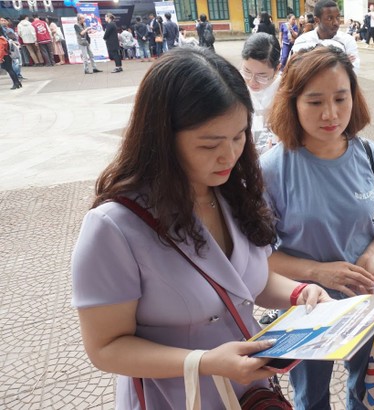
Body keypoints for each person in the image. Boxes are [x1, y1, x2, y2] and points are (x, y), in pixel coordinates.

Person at [71, 46, 331, 410]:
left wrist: (299, 293)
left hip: (247, 394)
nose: (229, 156)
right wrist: (203, 362)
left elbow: (243, 282)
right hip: (175, 397)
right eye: (210, 144)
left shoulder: (231, 194)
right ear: (161, 139)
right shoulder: (114, 227)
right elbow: (105, 347)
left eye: (239, 136)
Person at [261, 45, 374, 410]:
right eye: (314, 102)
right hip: (304, 308)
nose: (331, 114)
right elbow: (258, 255)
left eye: (341, 98)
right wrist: (318, 273)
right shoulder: (272, 170)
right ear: (292, 103)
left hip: (365, 301)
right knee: (310, 398)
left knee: (366, 389)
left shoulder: (373, 158)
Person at [293, 0, 360, 72]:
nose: (336, 23)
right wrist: (340, 62)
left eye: (338, 17)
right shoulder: (303, 41)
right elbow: (299, 71)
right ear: (317, 20)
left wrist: (312, 61)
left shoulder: (347, 40)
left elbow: (353, 70)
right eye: (330, 18)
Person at [241, 32, 281, 153]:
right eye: (247, 71)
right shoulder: (235, 85)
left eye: (261, 76)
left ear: (277, 69)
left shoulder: (285, 90)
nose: (252, 81)